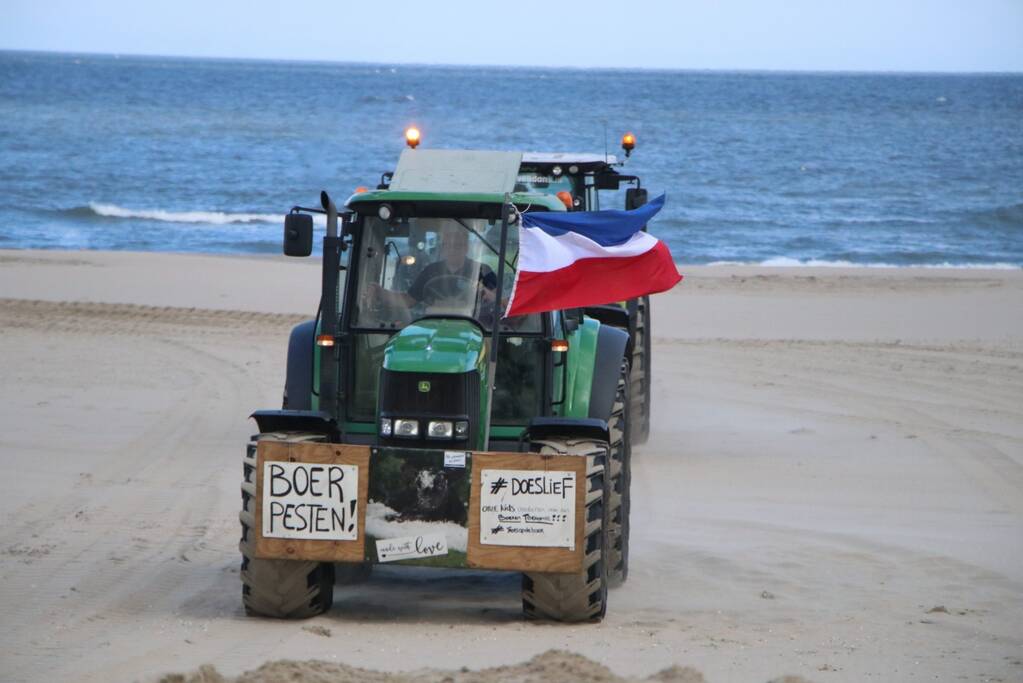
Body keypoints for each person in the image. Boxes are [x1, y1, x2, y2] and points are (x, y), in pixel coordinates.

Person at [366, 223, 496, 314]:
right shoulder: (430, 271)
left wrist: (490, 295)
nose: (452, 249)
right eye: (448, 245)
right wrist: (379, 291)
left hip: (476, 328)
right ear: (443, 248)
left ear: (466, 247)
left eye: (458, 245)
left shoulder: (483, 271)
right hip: (434, 326)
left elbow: (502, 302)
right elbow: (408, 300)